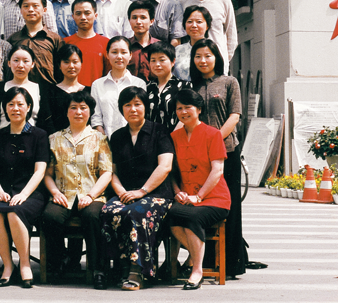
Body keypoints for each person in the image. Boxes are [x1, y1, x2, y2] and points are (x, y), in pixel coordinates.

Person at [99, 86, 175, 290]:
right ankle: (120, 267)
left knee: (137, 213)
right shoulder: (117, 136)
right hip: (126, 194)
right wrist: (121, 192)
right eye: (127, 105)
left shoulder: (159, 131)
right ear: (121, 109)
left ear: (145, 107)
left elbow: (165, 166)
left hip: (156, 194)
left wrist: (142, 191)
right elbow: (112, 171)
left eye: (137, 104)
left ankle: (137, 271)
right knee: (108, 211)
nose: (133, 109)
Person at [42, 91, 113, 289]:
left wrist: (91, 195)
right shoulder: (54, 139)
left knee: (92, 217)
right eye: (73, 108)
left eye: (83, 108)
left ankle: (98, 269)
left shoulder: (99, 138)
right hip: (63, 195)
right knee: (50, 216)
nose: (78, 112)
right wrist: (55, 193)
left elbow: (106, 172)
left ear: (90, 112)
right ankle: (60, 261)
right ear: (66, 112)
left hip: (92, 195)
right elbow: (47, 174)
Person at [189, 38, 246, 279]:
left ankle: (231, 263)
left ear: (217, 58)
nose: (203, 60)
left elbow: (235, 116)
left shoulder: (229, 82)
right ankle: (205, 260)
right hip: (200, 155)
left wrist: (213, 140)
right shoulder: (191, 86)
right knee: (204, 205)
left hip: (227, 151)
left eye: (208, 56)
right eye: (198, 56)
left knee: (229, 205)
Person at [166, 89, 232, 291]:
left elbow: (217, 170)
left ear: (199, 109)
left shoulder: (213, 134)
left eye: (188, 107)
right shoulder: (174, 136)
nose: (183, 112)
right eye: (179, 108)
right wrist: (177, 191)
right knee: (170, 216)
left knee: (191, 218)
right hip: (186, 198)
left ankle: (197, 271)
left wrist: (199, 196)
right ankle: (199, 257)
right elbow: (172, 172)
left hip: (215, 198)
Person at [0, 86, 50, 289]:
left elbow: (40, 171)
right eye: (11, 104)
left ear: (29, 107)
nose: (15, 108)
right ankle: (8, 266)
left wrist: (23, 194)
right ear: (5, 108)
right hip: (5, 193)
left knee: (15, 212)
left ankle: (24, 265)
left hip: (31, 194)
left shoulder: (39, 135)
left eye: (20, 104)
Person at [178, 0, 236, 73]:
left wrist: (223, 60)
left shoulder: (224, 1)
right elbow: (179, 35)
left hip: (218, 69)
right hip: (189, 67)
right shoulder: (182, 2)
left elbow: (232, 36)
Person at [90, 37, 146, 136]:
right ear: (107, 55)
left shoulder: (139, 83)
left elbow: (141, 116)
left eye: (124, 52)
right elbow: (96, 118)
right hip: (105, 140)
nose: (119, 56)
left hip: (133, 139)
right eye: (114, 52)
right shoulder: (97, 85)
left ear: (130, 55)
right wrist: (104, 140)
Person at [5, 0, 64, 85]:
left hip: (48, 91)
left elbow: (61, 70)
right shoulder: (13, 39)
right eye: (26, 6)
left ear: (44, 10)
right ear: (21, 11)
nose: (30, 10)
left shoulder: (55, 39)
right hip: (20, 91)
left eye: (35, 6)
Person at [0, 45, 41, 130]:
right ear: (9, 63)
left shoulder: (40, 89)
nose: (20, 65)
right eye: (16, 60)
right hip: (3, 136)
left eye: (25, 61)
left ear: (32, 64)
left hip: (31, 136)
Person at [146, 41, 190, 134]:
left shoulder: (184, 87)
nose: (157, 64)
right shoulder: (147, 88)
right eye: (153, 60)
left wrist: (171, 138)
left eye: (162, 60)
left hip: (176, 137)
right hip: (150, 139)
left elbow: (187, 115)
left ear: (173, 61)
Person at [64, 0, 109, 87]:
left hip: (97, 92)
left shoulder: (106, 43)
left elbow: (109, 74)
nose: (83, 17)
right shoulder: (65, 43)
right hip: (71, 92)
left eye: (87, 13)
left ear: (95, 16)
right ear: (73, 17)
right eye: (78, 13)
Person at [174, 5, 213, 81]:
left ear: (207, 26)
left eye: (199, 22)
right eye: (190, 21)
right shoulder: (178, 50)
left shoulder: (212, 49)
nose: (194, 25)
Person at [126, 0, 160, 82]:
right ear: (129, 21)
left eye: (143, 17)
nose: (138, 22)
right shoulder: (125, 47)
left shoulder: (160, 47)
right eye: (134, 18)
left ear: (151, 21)